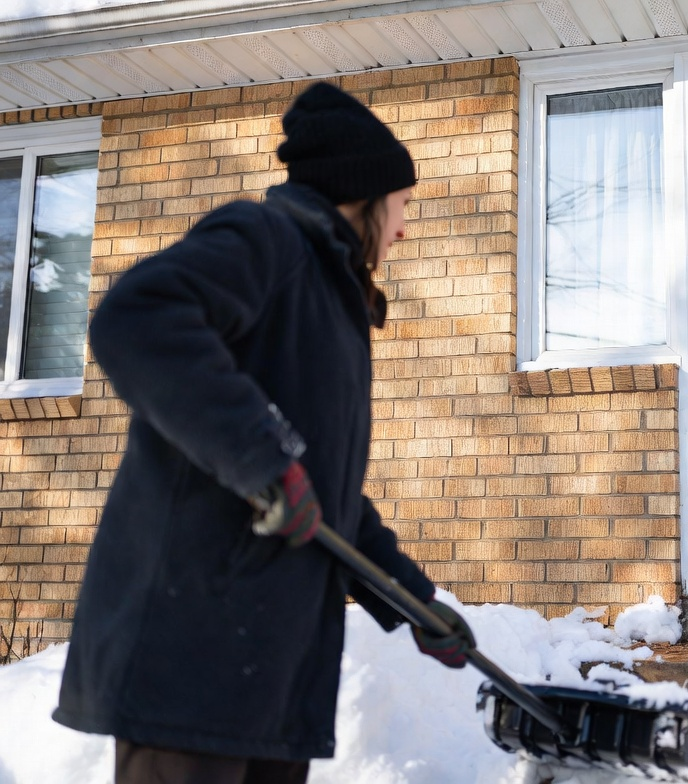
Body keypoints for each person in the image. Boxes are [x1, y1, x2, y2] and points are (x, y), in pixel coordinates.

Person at [52, 82, 475, 784]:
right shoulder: (266, 241)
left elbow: (323, 497)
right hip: (193, 660)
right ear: (364, 195)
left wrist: (412, 600)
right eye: (403, 205)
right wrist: (261, 459)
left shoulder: (332, 302)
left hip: (270, 680)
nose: (404, 227)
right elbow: (137, 317)